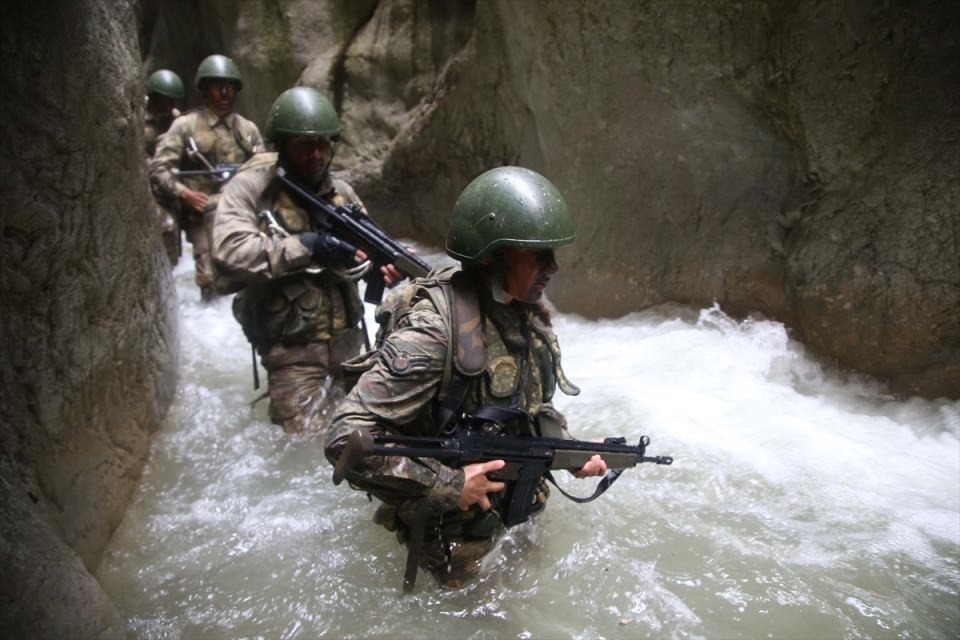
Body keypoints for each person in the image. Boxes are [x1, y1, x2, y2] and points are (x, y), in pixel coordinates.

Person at [324, 166, 608, 588]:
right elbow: (345, 439)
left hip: (516, 514)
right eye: (536, 254)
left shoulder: (525, 313)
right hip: (455, 540)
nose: (553, 267)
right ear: (491, 254)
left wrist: (568, 452)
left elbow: (529, 407)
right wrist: (447, 483)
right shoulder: (435, 332)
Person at [213, 86, 401, 433]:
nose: (316, 154)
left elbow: (368, 252)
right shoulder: (253, 188)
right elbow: (228, 251)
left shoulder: (341, 193)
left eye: (323, 144)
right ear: (282, 145)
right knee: (303, 445)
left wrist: (381, 266)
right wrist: (307, 246)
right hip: (292, 352)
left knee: (363, 435)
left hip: (350, 345)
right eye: (304, 145)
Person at [149, 54, 263, 300]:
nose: (224, 93)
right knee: (211, 280)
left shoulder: (247, 130)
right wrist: (185, 194)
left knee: (251, 273)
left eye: (230, 87)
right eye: (217, 87)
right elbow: (159, 169)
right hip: (200, 215)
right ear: (204, 90)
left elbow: (263, 171)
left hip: (240, 213)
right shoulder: (185, 126)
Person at [143, 68, 185, 266]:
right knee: (166, 226)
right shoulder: (141, 122)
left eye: (172, 102)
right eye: (165, 101)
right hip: (148, 184)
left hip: (170, 183)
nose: (170, 107)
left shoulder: (175, 119)